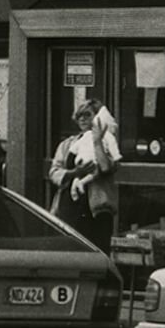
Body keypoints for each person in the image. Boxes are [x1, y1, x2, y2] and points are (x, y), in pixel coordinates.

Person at [49, 95, 121, 254]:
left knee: (97, 251)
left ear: (97, 118)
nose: (82, 119)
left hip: (96, 208)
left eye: (87, 115)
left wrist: (97, 142)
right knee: (70, 250)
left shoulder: (106, 140)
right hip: (69, 206)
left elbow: (106, 168)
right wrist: (74, 173)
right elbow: (54, 172)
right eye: (79, 116)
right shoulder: (67, 144)